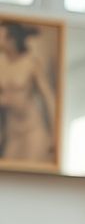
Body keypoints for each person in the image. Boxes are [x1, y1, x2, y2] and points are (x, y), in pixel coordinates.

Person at [0, 21, 58, 163]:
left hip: (31, 128)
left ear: (11, 39)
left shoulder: (31, 63)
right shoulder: (1, 63)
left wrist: (55, 133)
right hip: (12, 131)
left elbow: (48, 98)